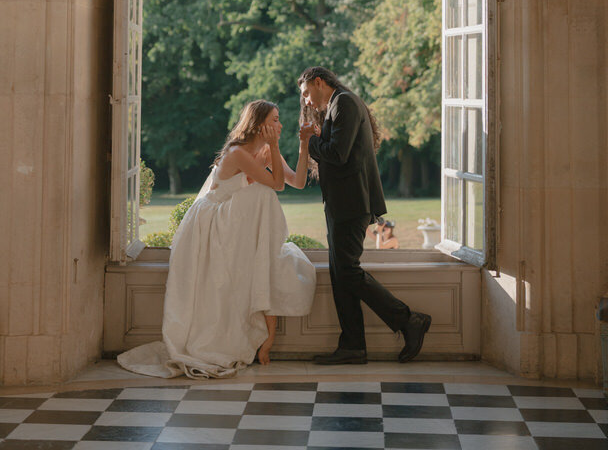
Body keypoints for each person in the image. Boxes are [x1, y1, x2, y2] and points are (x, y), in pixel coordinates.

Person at [116, 100, 316, 378]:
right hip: (215, 220)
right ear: (260, 125)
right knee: (262, 195)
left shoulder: (266, 151)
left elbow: (299, 182)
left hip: (239, 221)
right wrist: (276, 148)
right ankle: (228, 340)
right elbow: (278, 184)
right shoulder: (238, 152)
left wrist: (304, 143)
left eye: (279, 119)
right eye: (274, 120)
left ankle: (265, 341)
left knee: (266, 260)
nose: (280, 125)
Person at [299, 65, 431, 364]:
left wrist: (310, 140)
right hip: (344, 203)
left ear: (319, 82)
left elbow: (338, 154)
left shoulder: (343, 102)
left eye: (307, 93)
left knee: (346, 271)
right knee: (340, 274)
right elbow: (341, 151)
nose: (306, 101)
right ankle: (353, 346)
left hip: (352, 203)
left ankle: (408, 319)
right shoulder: (339, 104)